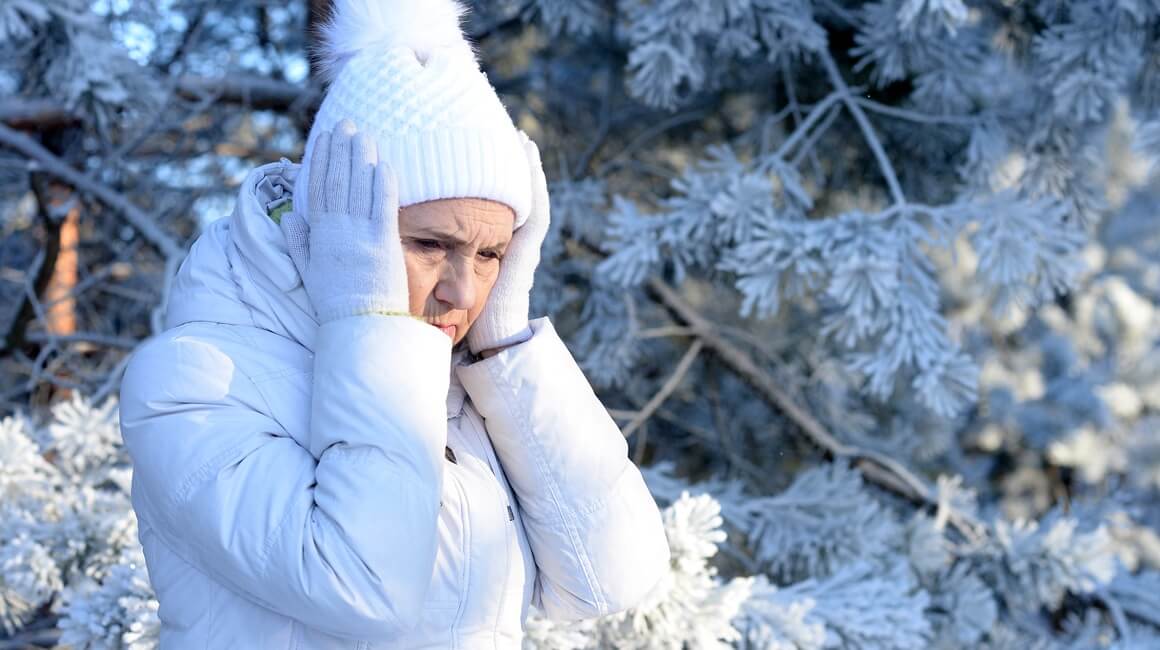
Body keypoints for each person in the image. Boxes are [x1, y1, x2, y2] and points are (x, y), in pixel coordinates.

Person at [115, 0, 671, 647]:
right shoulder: (190, 382)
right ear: (336, 225)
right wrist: (368, 319)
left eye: (491, 254)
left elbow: (611, 580)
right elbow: (361, 587)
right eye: (432, 245)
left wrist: (507, 344)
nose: (462, 289)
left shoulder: (459, 383)